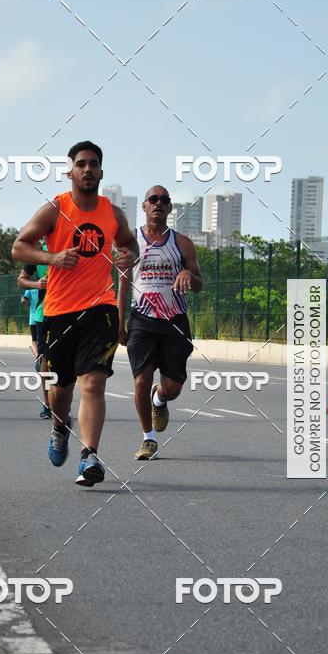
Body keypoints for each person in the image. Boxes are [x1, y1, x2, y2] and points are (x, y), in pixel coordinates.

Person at [12, 140, 139, 485]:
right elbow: (19, 246)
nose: (87, 169)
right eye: (81, 164)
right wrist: (52, 258)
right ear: (70, 171)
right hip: (59, 312)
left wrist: (129, 256)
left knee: (93, 382)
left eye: (93, 164)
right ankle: (59, 425)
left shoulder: (113, 213)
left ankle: (89, 457)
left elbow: (130, 244)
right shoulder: (56, 208)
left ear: (101, 172)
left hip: (100, 308)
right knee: (60, 389)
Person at [118, 186, 202, 459]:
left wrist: (189, 275)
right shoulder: (130, 241)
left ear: (169, 208)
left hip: (174, 321)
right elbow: (122, 284)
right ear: (144, 206)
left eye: (164, 200)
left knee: (173, 388)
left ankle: (160, 398)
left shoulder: (183, 243)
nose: (158, 204)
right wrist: (119, 324)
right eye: (153, 200)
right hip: (142, 320)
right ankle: (149, 438)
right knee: (141, 380)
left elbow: (199, 284)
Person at [17, 239, 51, 419]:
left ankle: (61, 403)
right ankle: (48, 404)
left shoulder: (72, 251)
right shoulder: (38, 254)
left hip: (70, 315)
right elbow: (21, 280)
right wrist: (37, 284)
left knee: (65, 364)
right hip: (44, 314)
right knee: (45, 361)